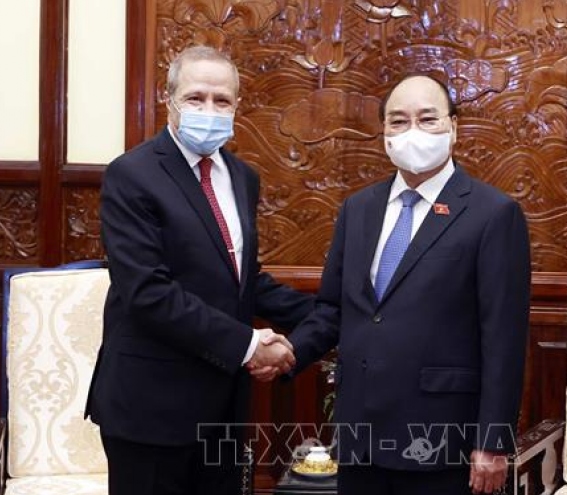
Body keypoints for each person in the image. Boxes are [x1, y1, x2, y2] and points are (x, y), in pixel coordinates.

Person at [261, 74, 531, 495]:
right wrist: (290, 353)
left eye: (427, 119)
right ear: (384, 132)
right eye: (399, 121)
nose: (412, 131)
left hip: (440, 440)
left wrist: (493, 441)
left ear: (453, 127)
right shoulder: (358, 209)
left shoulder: (493, 214)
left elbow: (503, 338)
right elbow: (333, 309)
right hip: (360, 436)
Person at [85, 45, 313, 495]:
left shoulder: (242, 177)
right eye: (195, 97)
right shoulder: (131, 174)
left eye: (221, 100)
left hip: (223, 407)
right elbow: (149, 292)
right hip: (151, 408)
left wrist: (329, 312)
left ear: (237, 106)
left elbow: (241, 280)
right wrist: (250, 345)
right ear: (168, 100)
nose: (209, 109)